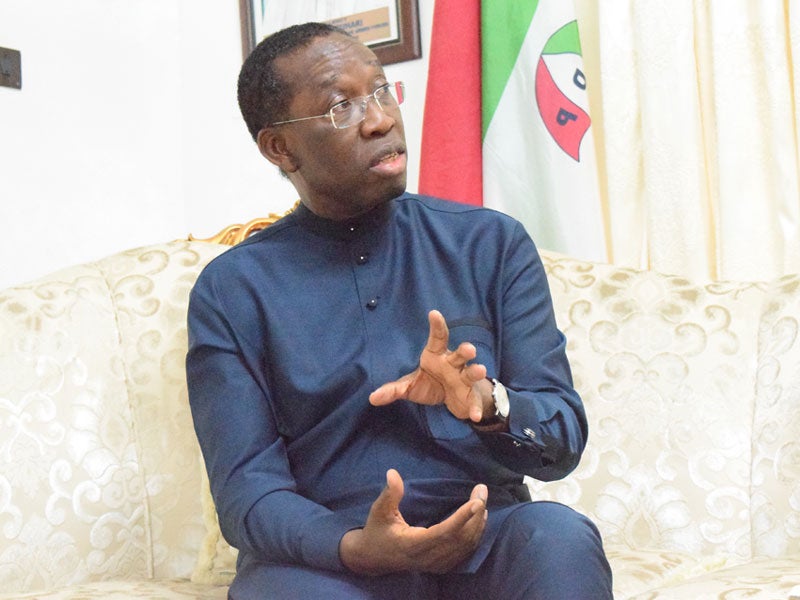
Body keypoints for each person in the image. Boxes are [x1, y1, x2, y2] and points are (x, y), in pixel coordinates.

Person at [186, 21, 613, 600]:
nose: (381, 119)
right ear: (279, 147)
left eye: (382, 90)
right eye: (342, 106)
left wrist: (490, 405)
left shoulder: (491, 244)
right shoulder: (232, 289)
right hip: (329, 558)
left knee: (559, 538)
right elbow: (246, 491)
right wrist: (352, 547)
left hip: (482, 536)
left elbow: (562, 436)